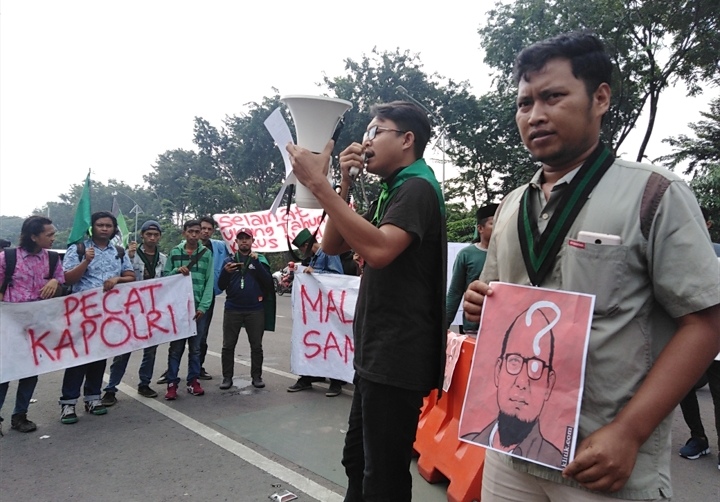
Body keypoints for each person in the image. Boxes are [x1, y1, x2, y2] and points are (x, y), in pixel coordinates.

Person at [463, 32, 720, 500]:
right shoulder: (511, 205)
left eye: (553, 96)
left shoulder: (655, 194)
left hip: (602, 461)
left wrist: (629, 432)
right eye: (524, 103)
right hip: (508, 452)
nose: (535, 115)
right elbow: (498, 298)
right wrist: (480, 300)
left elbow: (705, 321)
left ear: (600, 97)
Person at [287, 100, 447, 501]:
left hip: (397, 352)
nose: (367, 140)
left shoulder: (416, 187)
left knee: (384, 475)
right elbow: (331, 243)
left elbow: (378, 251)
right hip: (378, 351)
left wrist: (318, 184)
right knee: (358, 461)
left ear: (407, 140)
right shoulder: (395, 189)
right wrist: (342, 181)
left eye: (378, 130)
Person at [461, 307, 562, 467]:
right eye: (514, 361)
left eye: (536, 367)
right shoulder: (471, 440)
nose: (522, 382)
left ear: (549, 384)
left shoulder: (555, 461)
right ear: (498, 371)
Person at [59, 211, 135, 424]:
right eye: (100, 225)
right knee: (78, 358)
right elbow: (67, 278)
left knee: (100, 355)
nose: (104, 228)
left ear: (113, 229)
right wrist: (86, 261)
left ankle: (93, 398)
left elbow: (131, 276)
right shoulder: (79, 249)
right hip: (82, 313)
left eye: (108, 225)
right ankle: (68, 403)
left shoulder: (118, 252)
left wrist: (117, 278)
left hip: (107, 314)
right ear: (92, 227)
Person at [0, 216, 65, 434]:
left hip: (37, 327)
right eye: (49, 235)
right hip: (9, 326)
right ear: (33, 236)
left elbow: (61, 284)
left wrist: (55, 282)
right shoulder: (7, 258)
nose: (53, 238)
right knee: (4, 372)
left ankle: (20, 416)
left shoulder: (53, 259)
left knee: (30, 372)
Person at [101, 220, 167, 405]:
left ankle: (144, 383)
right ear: (142, 236)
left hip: (153, 310)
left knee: (151, 350)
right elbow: (121, 276)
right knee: (123, 350)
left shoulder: (163, 258)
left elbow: (168, 281)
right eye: (149, 234)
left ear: (159, 236)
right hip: (130, 310)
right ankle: (111, 389)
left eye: (155, 235)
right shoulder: (129, 256)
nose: (152, 238)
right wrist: (128, 256)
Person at [675, 207, 720, 468]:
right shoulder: (676, 256)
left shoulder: (715, 255)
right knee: (682, 390)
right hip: (685, 341)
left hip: (716, 346)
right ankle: (698, 438)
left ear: (708, 224)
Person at [286, 228, 346, 397]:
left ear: (307, 245)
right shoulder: (315, 257)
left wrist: (317, 273)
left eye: (301, 249)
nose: (301, 253)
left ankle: (336, 382)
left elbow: (338, 277)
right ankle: (307, 377)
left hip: (328, 311)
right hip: (316, 311)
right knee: (313, 343)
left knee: (331, 343)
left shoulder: (329, 253)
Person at [217, 227, 275, 390]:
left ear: (252, 241)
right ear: (236, 242)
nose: (244, 241)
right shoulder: (229, 260)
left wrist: (256, 264)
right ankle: (227, 377)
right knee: (228, 345)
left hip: (255, 309)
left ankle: (256, 376)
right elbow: (221, 285)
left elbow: (269, 284)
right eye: (240, 238)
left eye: (247, 238)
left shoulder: (260, 260)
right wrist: (225, 273)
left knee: (256, 345)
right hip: (233, 308)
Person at [162, 219, 214, 400]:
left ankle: (193, 381)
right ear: (184, 233)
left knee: (196, 348)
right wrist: (177, 270)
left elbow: (209, 282)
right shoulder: (175, 252)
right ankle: (172, 383)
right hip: (178, 309)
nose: (194, 235)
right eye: (190, 231)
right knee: (176, 348)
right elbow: (164, 277)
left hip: (198, 309)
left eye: (197, 232)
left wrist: (203, 306)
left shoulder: (206, 254)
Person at [446, 203, 498, 333]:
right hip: (473, 328)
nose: (499, 228)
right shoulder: (466, 255)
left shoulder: (510, 254)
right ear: (480, 228)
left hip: (501, 327)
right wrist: (443, 326)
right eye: (493, 223)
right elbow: (455, 292)